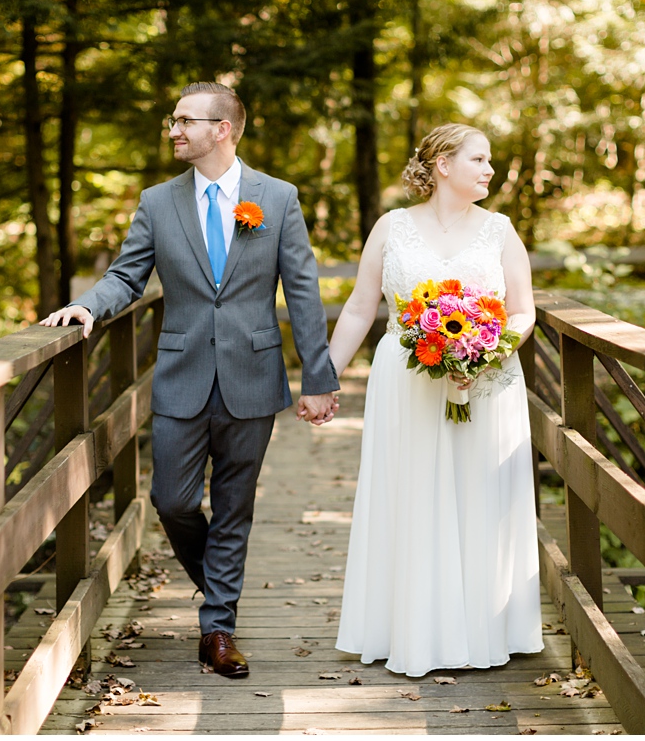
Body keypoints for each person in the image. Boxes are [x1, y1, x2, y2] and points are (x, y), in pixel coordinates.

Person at [40, 82, 340, 679]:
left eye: (184, 121)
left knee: (234, 507)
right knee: (171, 501)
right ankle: (221, 589)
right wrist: (89, 307)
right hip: (180, 374)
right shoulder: (158, 202)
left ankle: (218, 626)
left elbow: (302, 291)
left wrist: (319, 377)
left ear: (221, 129)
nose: (173, 130)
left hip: (253, 375)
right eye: (172, 121)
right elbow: (127, 276)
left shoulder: (277, 199)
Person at [320, 122, 543, 677]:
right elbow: (358, 308)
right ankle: (412, 631)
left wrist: (484, 351)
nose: (490, 170)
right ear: (442, 164)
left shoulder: (500, 231)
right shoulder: (391, 228)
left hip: (485, 383)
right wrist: (324, 377)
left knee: (478, 495)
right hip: (406, 383)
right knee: (413, 496)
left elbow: (522, 310)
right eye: (480, 159)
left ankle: (485, 627)